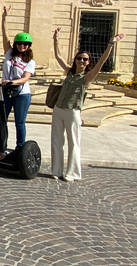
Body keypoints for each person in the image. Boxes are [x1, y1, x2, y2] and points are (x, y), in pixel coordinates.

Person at [52, 28, 124, 182]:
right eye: (79, 58)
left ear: (88, 62)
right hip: (58, 109)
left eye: (85, 59)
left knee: (73, 143)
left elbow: (102, 61)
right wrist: (55, 39)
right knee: (57, 141)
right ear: (75, 60)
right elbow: (58, 56)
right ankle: (56, 170)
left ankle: (72, 173)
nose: (82, 61)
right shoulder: (69, 72)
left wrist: (111, 44)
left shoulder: (87, 77)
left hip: (73, 112)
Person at [0, 5, 36, 148]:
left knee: (19, 122)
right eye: (20, 43)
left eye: (25, 44)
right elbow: (5, 34)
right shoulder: (9, 53)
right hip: (6, 91)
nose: (23, 46)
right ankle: (2, 145)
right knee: (2, 120)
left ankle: (20, 147)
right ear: (16, 44)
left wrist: (12, 82)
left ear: (29, 46)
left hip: (22, 94)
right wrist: (5, 17)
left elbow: (26, 78)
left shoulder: (30, 62)